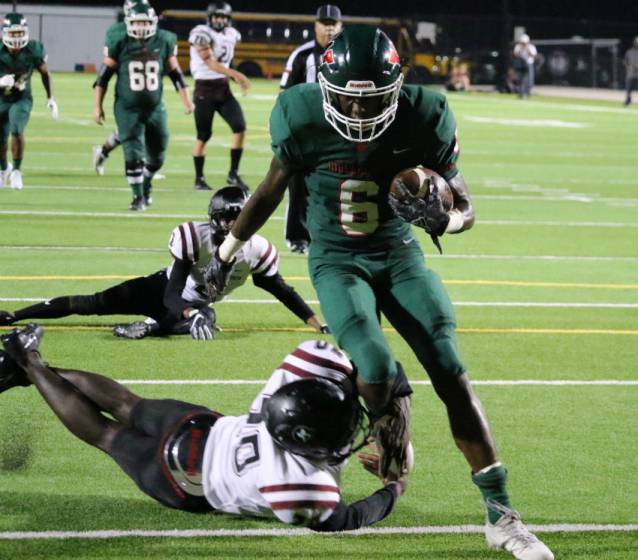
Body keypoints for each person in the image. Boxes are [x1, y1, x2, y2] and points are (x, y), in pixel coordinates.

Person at [205, 26, 554, 559]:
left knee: (449, 367)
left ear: (396, 86)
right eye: (345, 95)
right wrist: (226, 253)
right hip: (338, 258)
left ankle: (502, 516)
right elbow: (270, 189)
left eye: (370, 97)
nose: (356, 109)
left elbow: (464, 203)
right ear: (326, 86)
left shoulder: (426, 114)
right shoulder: (300, 113)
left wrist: (448, 219)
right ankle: (385, 431)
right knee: (371, 357)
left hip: (397, 254)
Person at [0, 327, 407, 530]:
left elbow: (348, 363)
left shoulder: (289, 384)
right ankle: (28, 363)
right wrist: (393, 490)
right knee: (107, 435)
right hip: (186, 480)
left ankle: (28, 366)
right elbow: (344, 519)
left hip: (199, 428)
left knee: (127, 404)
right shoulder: (302, 489)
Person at [0, 187, 327, 340]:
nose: (231, 224)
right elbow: (172, 294)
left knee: (206, 318)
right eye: (225, 218)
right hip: (164, 291)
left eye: (236, 217)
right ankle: (17, 314)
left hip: (193, 306)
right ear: (213, 219)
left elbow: (280, 289)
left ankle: (153, 326)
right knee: (91, 303)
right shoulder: (191, 237)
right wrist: (192, 312)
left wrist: (315, 322)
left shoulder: (257, 250)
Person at [93, 0, 194, 211]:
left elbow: (175, 73)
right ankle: (137, 197)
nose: (140, 27)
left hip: (155, 107)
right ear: (129, 22)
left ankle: (146, 182)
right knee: (133, 151)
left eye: (144, 22)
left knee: (158, 153)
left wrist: (186, 100)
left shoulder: (164, 40)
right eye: (136, 23)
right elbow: (103, 77)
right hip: (127, 107)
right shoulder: (119, 39)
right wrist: (97, 106)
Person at [279, 4, 343, 254]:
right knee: (298, 186)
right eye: (324, 24)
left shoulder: (347, 54)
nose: (328, 29)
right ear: (315, 25)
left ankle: (335, 235)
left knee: (339, 184)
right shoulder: (302, 55)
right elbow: (284, 95)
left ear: (340, 27)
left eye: (333, 24)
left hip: (340, 131)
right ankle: (297, 236)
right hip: (306, 132)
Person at [189, 2, 250, 192]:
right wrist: (236, 75)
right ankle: (199, 178)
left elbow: (227, 58)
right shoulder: (200, 33)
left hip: (223, 89)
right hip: (204, 90)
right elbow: (210, 63)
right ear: (209, 17)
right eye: (217, 16)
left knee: (240, 127)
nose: (220, 20)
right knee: (204, 135)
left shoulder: (231, 34)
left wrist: (231, 76)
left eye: (223, 17)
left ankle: (233, 173)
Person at [0, 12, 58, 190]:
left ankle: (17, 171)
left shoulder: (33, 49)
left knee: (17, 129)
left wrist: (51, 98)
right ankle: (4, 169)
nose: (16, 38)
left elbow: (45, 73)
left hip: (22, 99)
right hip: (1, 98)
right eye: (13, 34)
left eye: (19, 33)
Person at [512, 33, 537, 98]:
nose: (523, 44)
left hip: (529, 64)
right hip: (521, 64)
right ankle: (521, 93)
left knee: (530, 79)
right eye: (522, 43)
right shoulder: (518, 46)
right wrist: (521, 50)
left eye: (524, 43)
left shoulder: (531, 47)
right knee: (521, 79)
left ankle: (528, 92)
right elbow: (515, 55)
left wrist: (527, 49)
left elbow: (533, 55)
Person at [623, 37, 638, 106]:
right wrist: (628, 67)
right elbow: (625, 61)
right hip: (630, 74)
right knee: (628, 89)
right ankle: (628, 101)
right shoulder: (629, 52)